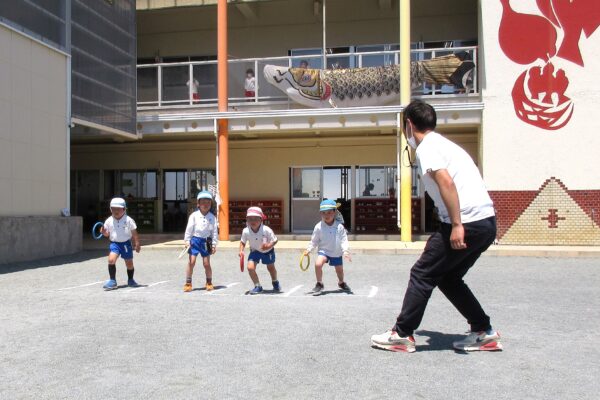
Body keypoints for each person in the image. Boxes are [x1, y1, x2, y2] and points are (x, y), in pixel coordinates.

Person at [371, 99, 501, 353]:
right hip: (485, 222)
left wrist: (456, 225)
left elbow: (447, 183)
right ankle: (483, 332)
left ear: (408, 124)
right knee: (448, 278)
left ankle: (402, 334)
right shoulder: (444, 145)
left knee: (423, 273)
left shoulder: (427, 146)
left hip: (466, 220)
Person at [303, 199, 352, 295]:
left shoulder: (339, 226)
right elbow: (314, 240)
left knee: (339, 271)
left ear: (334, 212)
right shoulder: (318, 227)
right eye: (324, 213)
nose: (327, 215)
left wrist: (345, 251)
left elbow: (344, 240)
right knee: (318, 264)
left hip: (336, 252)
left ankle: (341, 282)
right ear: (321, 214)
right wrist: (309, 249)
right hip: (324, 251)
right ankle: (319, 283)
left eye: (329, 212)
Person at [100, 197, 141, 290]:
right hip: (114, 244)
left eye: (118, 209)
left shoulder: (129, 220)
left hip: (126, 244)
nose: (116, 211)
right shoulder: (109, 220)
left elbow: (134, 233)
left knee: (129, 263)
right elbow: (107, 234)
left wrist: (137, 243)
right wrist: (103, 232)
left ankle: (131, 280)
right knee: (111, 260)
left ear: (124, 209)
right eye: (113, 209)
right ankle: (112, 281)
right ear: (110, 209)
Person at [239, 207, 280, 295]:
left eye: (255, 218)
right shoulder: (245, 231)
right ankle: (258, 286)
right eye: (250, 219)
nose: (252, 221)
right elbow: (242, 242)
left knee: (271, 268)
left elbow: (275, 240)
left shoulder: (267, 230)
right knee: (250, 267)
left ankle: (275, 281)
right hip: (255, 251)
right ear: (247, 220)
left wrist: (269, 245)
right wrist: (241, 251)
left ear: (261, 219)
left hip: (268, 251)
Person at [183, 191, 218, 292]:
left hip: (206, 242)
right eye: (203, 202)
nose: (206, 204)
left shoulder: (212, 217)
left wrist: (214, 244)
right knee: (191, 262)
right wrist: (187, 241)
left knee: (206, 263)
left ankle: (209, 282)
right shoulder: (194, 215)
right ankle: (188, 283)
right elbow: (189, 229)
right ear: (198, 204)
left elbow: (214, 232)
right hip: (194, 241)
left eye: (208, 202)